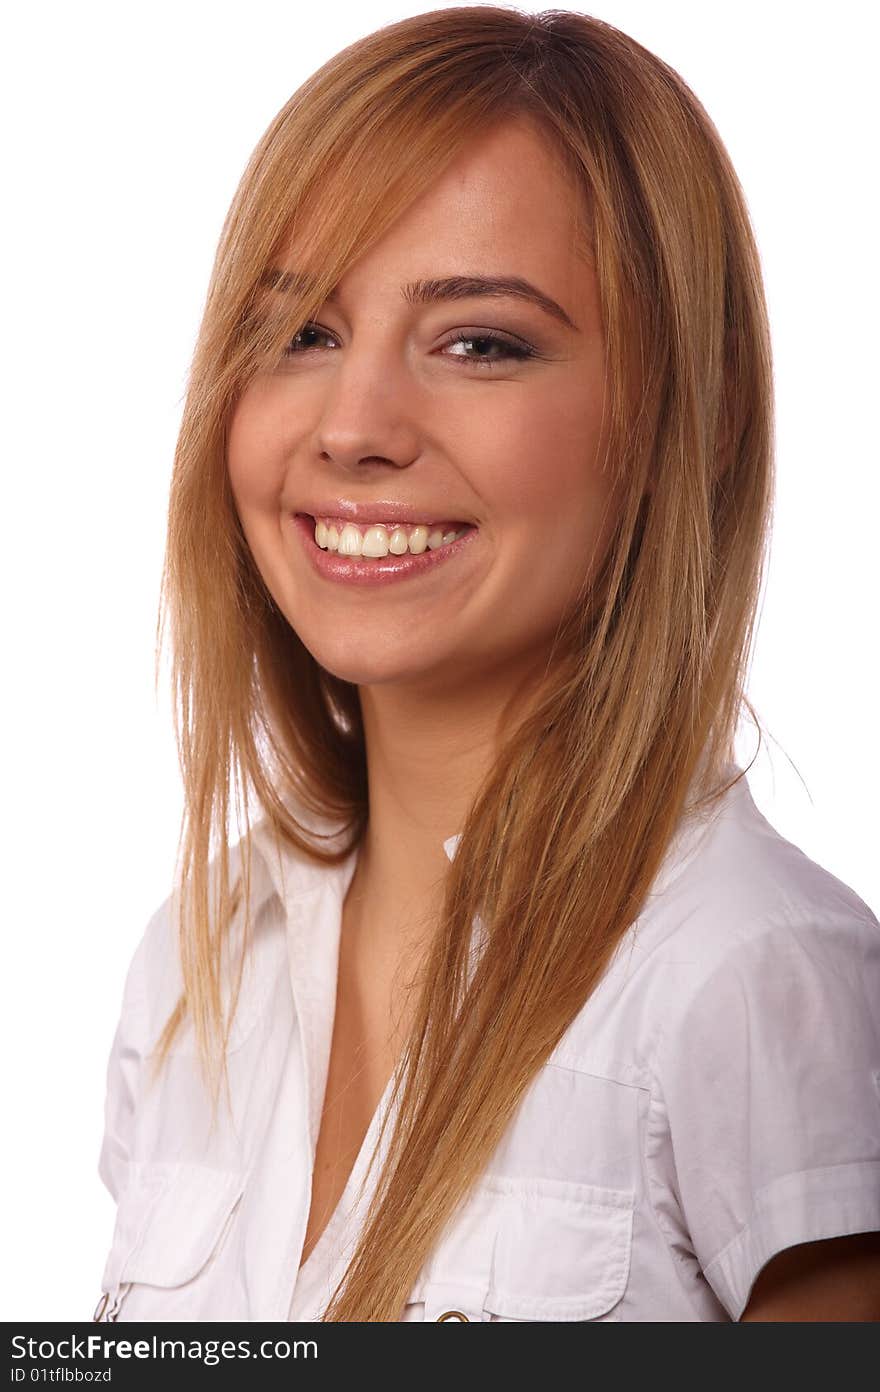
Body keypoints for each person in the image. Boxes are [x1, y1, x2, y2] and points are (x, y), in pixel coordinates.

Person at [93, 5, 880, 1323]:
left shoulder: (757, 981)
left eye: (481, 342)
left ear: (682, 412)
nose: (353, 428)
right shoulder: (192, 968)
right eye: (300, 333)